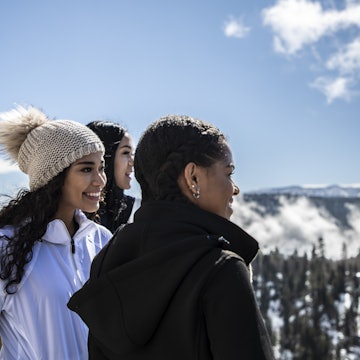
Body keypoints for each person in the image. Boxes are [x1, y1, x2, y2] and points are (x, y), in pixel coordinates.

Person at [68, 115, 275, 360]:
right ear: (193, 177)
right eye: (228, 173)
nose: (235, 188)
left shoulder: (109, 261)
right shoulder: (220, 270)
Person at [0, 106, 113, 360]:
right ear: (54, 176)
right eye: (86, 169)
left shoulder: (103, 240)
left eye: (101, 167)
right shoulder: (6, 246)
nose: (100, 180)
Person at [87, 121, 137, 232]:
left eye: (132, 154)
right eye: (125, 153)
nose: (132, 162)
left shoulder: (135, 212)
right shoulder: (76, 213)